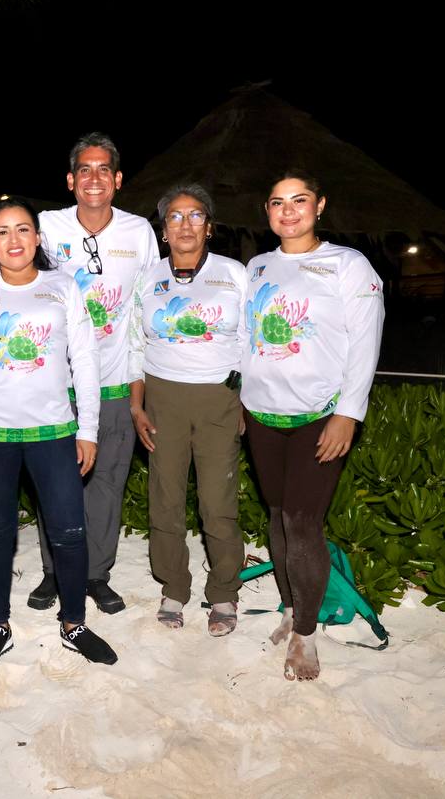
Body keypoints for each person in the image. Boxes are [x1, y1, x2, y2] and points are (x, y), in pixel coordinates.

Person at [0, 133, 158, 615]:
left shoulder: (139, 233)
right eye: (84, 169)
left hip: (111, 379)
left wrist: (136, 391)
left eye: (103, 169)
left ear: (117, 179)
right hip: (49, 390)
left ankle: (94, 576)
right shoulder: (45, 224)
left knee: (104, 487)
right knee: (50, 499)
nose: (93, 178)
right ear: (70, 179)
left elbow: (142, 309)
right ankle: (51, 573)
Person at [0, 196, 117, 664]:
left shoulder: (62, 286)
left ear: (37, 238)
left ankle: (74, 623)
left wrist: (88, 430)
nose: (13, 239)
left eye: (22, 229)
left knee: (70, 531)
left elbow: (85, 360)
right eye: (2, 232)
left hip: (54, 432)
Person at [240, 171, 384, 681]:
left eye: (299, 200)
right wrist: (239, 397)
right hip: (261, 414)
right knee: (278, 515)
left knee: (303, 522)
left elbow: (365, 342)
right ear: (267, 211)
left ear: (319, 206)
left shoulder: (348, 265)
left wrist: (348, 412)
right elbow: (245, 337)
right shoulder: (257, 266)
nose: (288, 210)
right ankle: (288, 606)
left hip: (319, 416)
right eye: (277, 202)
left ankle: (306, 632)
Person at [128, 183, 247, 635]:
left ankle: (224, 591)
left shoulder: (234, 273)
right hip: (162, 397)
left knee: (217, 501)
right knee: (165, 497)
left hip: (219, 397)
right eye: (175, 217)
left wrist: (245, 401)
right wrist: (137, 405)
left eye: (195, 215)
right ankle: (173, 585)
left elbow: (250, 343)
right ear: (164, 230)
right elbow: (135, 346)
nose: (185, 224)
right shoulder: (146, 279)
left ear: (209, 227)